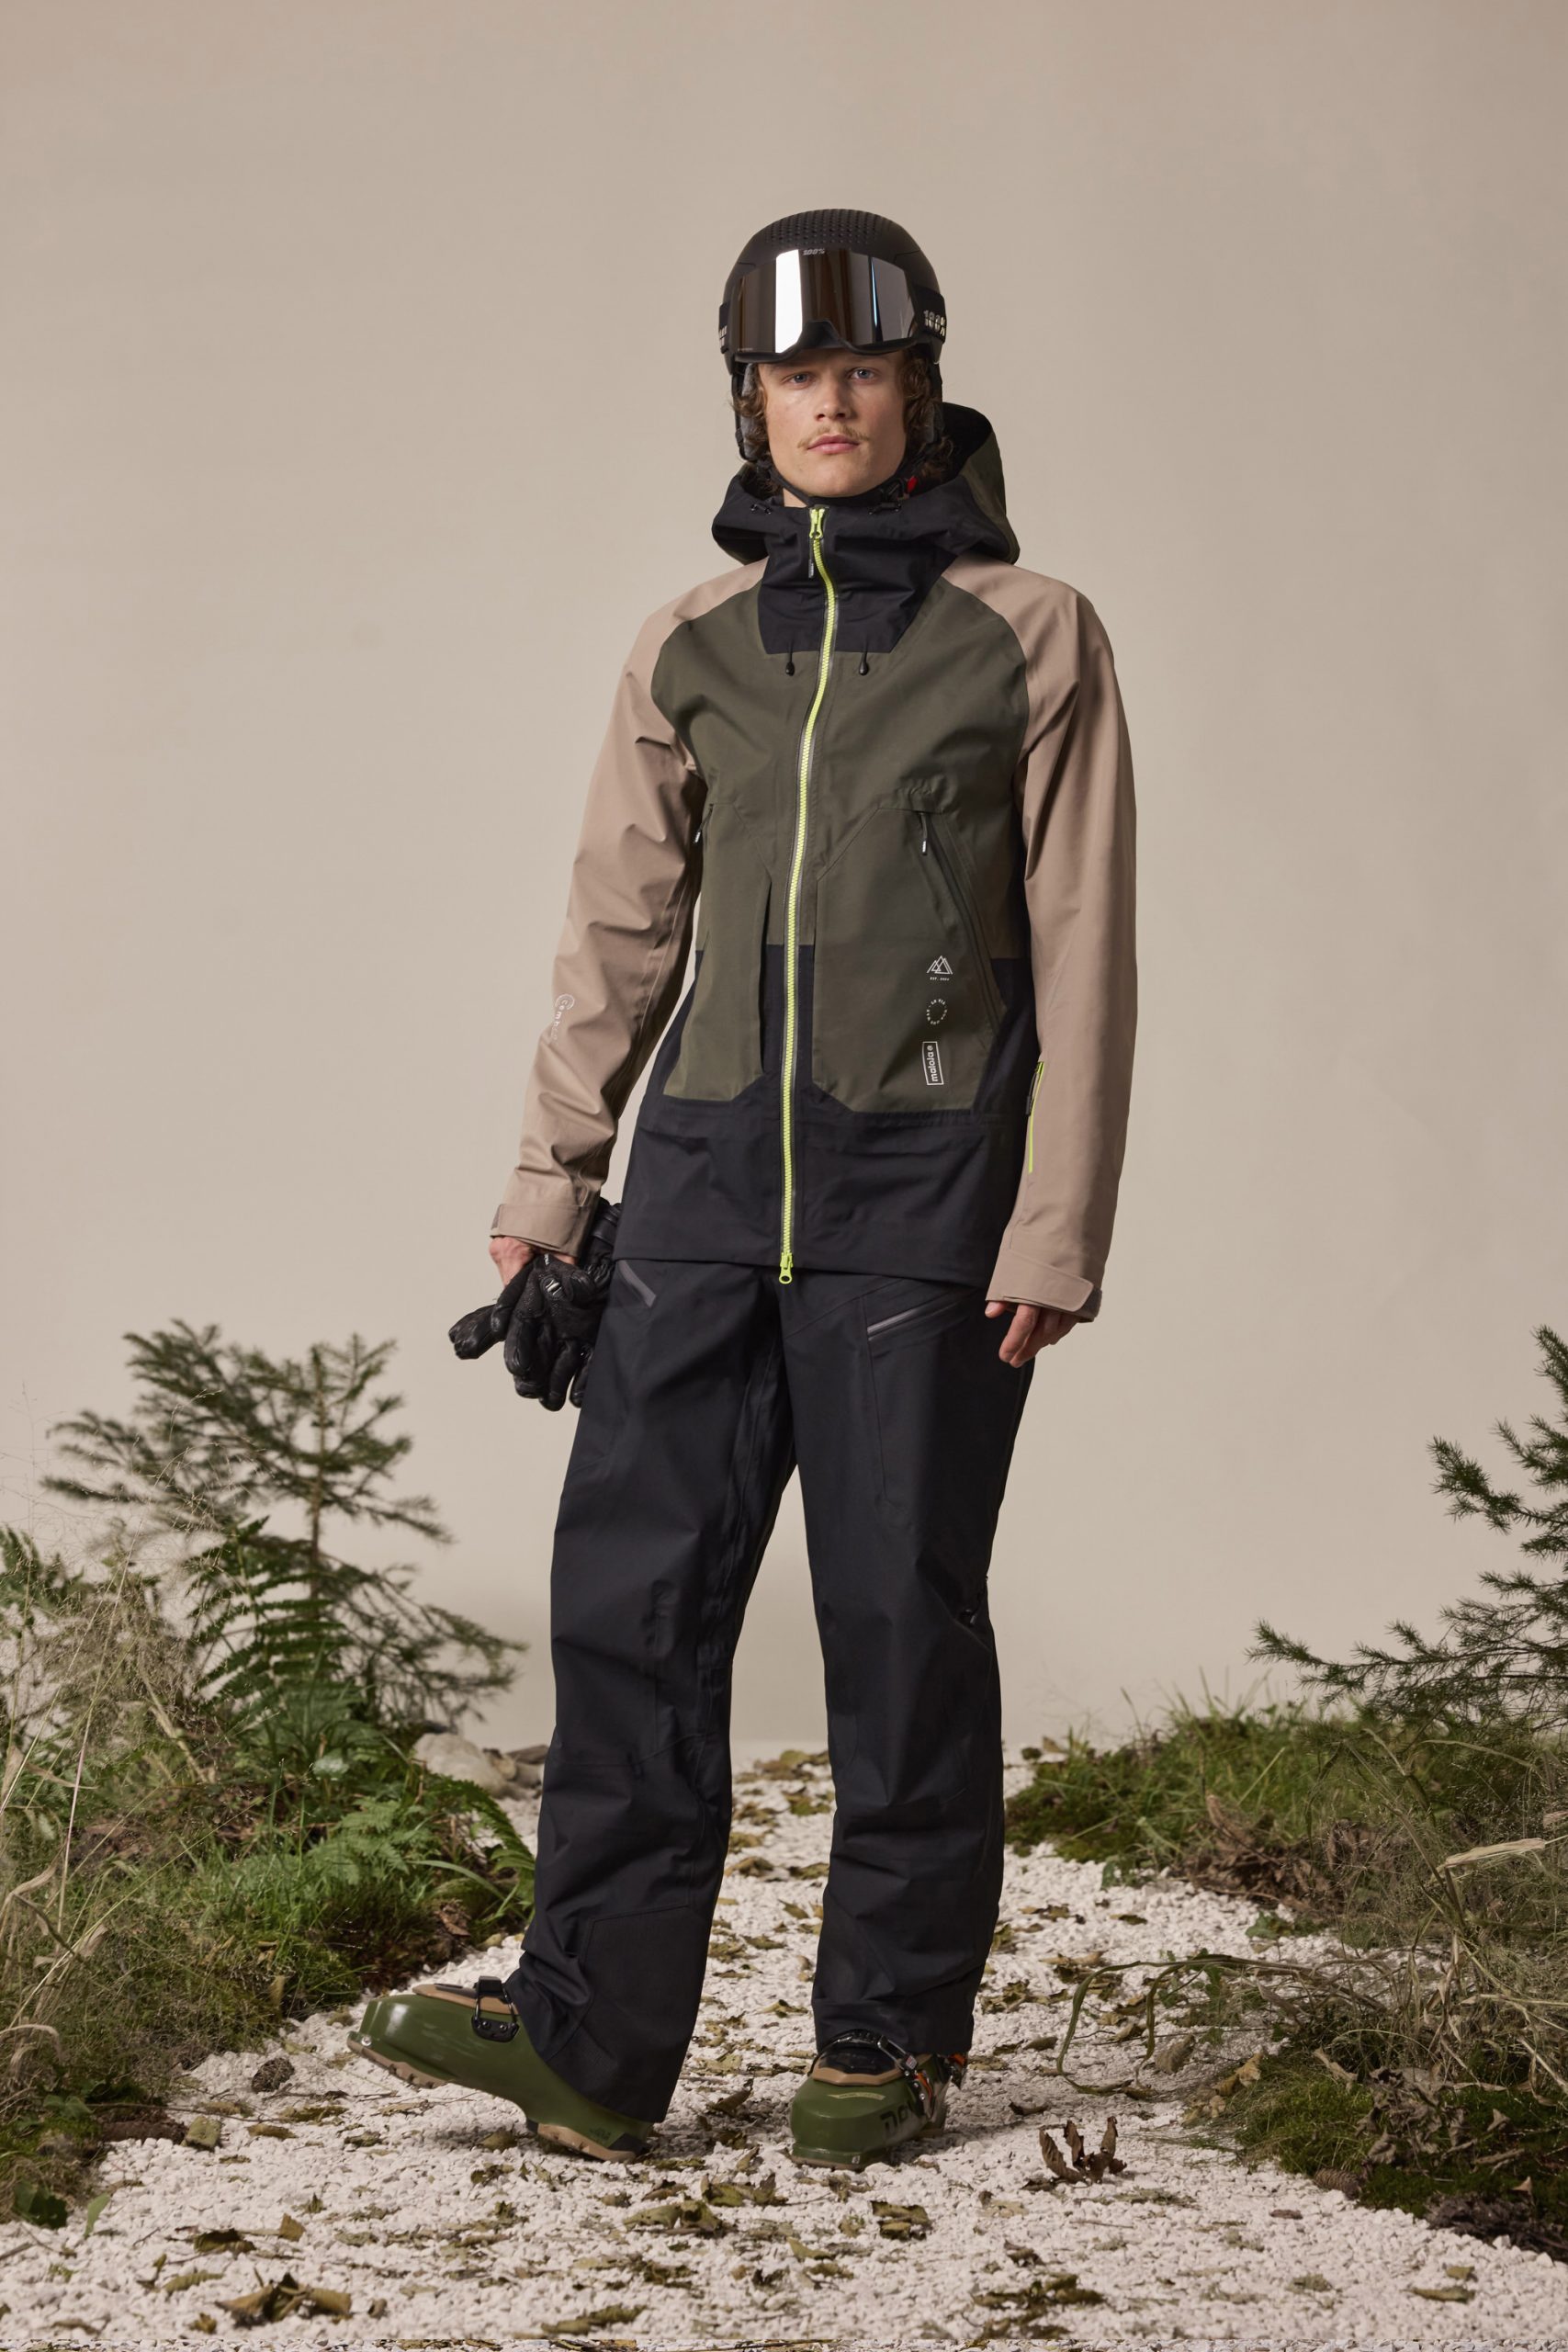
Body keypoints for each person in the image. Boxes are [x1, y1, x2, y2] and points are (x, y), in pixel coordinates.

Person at [353, 209, 1138, 2168]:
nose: (831, 404)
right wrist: (552, 1176)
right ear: (749, 399)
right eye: (796, 375)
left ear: (919, 388)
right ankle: (590, 2039)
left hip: (924, 1206)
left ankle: (884, 2042)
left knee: (897, 1620)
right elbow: (617, 926)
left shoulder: (1030, 630)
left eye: (863, 370)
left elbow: (1084, 945)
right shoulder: (687, 643)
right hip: (697, 1195)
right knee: (630, 1609)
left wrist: (1055, 1222)